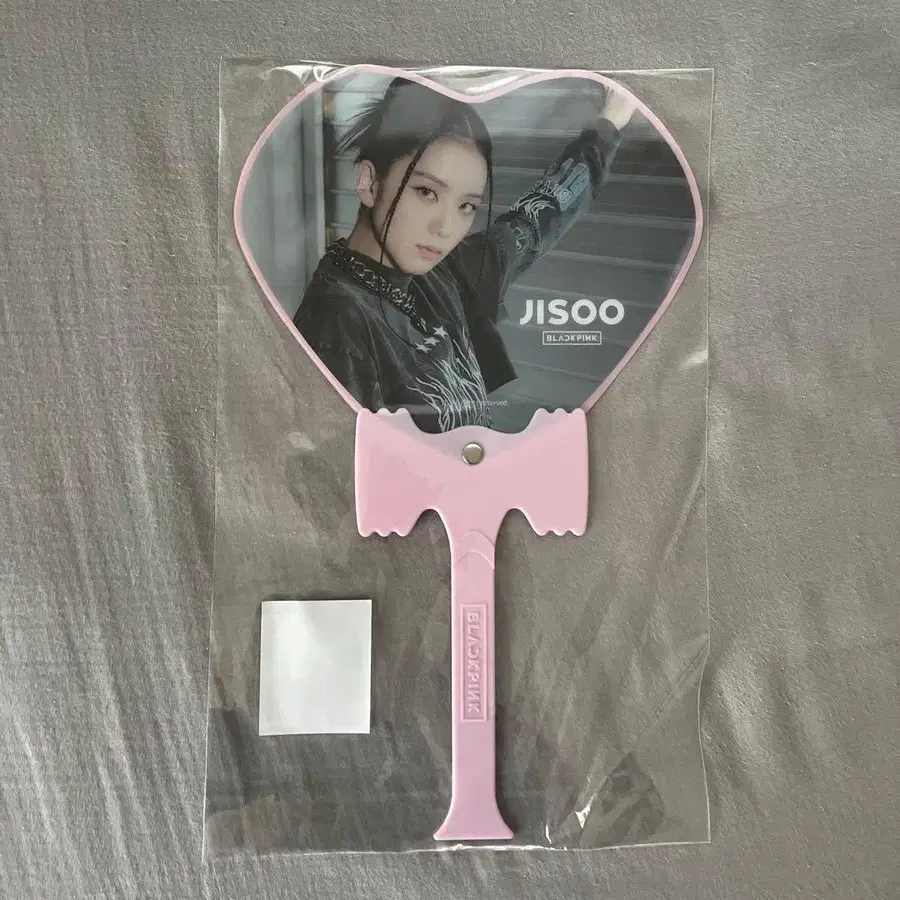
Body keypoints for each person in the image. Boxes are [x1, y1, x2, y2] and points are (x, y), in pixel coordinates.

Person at [293, 76, 636, 433]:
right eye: (426, 192)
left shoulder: (448, 276)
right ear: (369, 182)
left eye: (466, 206)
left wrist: (609, 124)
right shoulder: (335, 324)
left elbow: (540, 215)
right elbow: (335, 460)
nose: (445, 228)